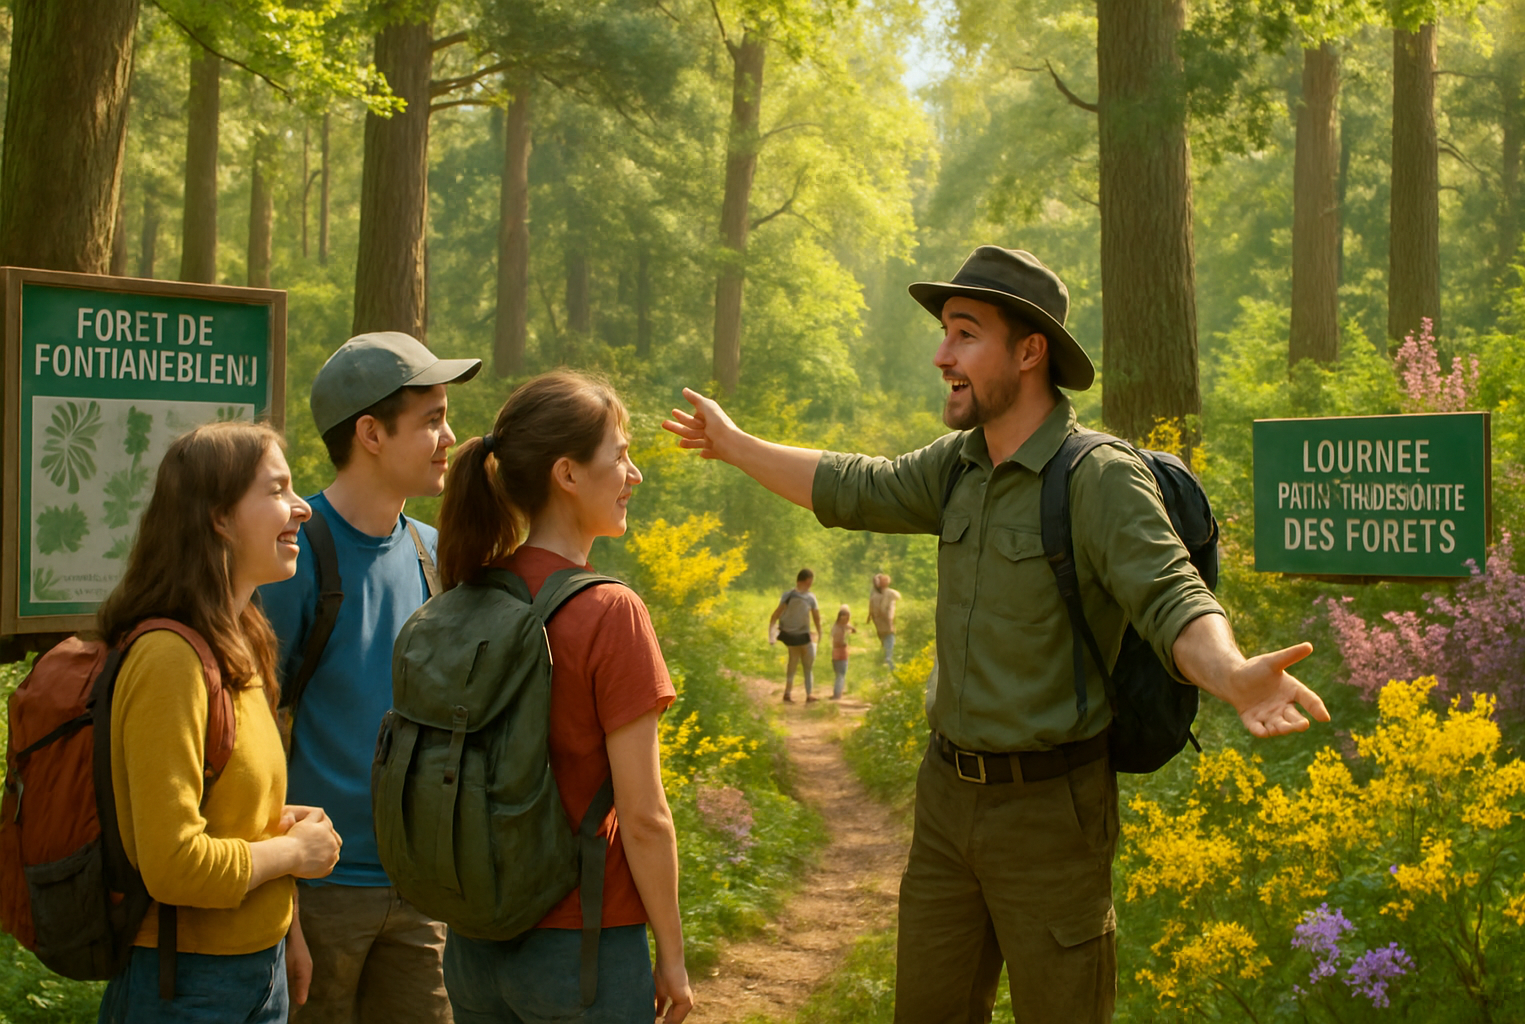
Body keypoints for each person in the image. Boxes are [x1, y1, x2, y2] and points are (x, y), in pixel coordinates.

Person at [664, 245, 1330, 1023]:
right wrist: (731, 442)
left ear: (1029, 351)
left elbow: (1171, 595)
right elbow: (850, 484)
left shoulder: (1100, 476)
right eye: (945, 332)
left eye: (965, 334)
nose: (942, 353)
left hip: (1054, 813)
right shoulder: (958, 468)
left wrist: (1232, 671)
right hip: (946, 801)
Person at [433, 371, 693, 1024]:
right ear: (567, 475)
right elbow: (644, 816)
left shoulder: (466, 593)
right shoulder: (610, 611)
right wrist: (673, 952)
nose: (633, 474)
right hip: (582, 952)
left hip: (473, 942)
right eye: (621, 454)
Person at [258, 332, 480, 1024]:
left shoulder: (434, 554)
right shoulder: (291, 556)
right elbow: (252, 729)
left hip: (422, 893)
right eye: (432, 419)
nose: (450, 436)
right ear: (370, 433)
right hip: (316, 892)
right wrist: (282, 902)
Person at [96, 421, 343, 1022]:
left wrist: (289, 932)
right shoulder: (168, 661)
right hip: (185, 987)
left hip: (256, 971)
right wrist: (293, 854)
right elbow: (175, 864)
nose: (302, 509)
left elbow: (232, 819)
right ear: (219, 517)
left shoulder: (241, 640)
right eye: (277, 490)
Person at [769, 569, 822, 703]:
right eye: (809, 582)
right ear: (804, 581)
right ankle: (804, 694)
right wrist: (819, 632)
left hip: (795, 636)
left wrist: (772, 634)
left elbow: (775, 615)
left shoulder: (792, 595)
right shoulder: (804, 597)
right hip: (799, 636)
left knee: (796, 664)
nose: (810, 584)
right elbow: (816, 617)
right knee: (805, 666)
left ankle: (791, 693)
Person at [867, 573, 902, 669]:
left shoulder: (874, 595)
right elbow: (891, 609)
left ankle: (882, 661)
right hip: (886, 622)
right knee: (890, 641)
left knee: (884, 641)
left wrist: (870, 617)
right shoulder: (890, 594)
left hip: (879, 623)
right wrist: (890, 621)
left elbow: (871, 610)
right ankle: (889, 662)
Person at [830, 604, 857, 699]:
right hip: (840, 651)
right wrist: (843, 644)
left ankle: (838, 692)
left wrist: (852, 629)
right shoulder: (839, 628)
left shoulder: (839, 626)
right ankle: (837, 694)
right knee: (841, 674)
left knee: (840, 674)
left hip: (838, 652)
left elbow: (850, 627)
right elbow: (836, 642)